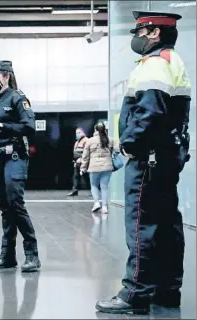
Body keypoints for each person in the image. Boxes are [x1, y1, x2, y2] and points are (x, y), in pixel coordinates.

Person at [96, 11, 191, 314]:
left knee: (141, 224)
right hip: (165, 157)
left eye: (139, 31)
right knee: (166, 225)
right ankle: (166, 289)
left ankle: (135, 293)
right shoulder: (172, 61)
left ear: (153, 33)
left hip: (147, 159)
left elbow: (149, 113)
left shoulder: (154, 65)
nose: (135, 37)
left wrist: (127, 146)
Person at [0, 60, 40, 272]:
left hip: (14, 156)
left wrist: (2, 126)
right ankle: (8, 255)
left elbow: (29, 128)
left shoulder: (18, 98)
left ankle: (32, 253)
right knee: (5, 207)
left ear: (6, 76)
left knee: (15, 204)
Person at [80, 123, 113, 214]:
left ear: (95, 130)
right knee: (104, 187)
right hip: (107, 167)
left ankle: (97, 203)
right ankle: (105, 207)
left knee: (94, 186)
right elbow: (116, 152)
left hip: (94, 167)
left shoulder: (90, 141)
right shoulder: (110, 139)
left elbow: (85, 157)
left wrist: (83, 168)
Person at [67, 127, 88, 196]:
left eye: (79, 132)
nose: (77, 134)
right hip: (77, 162)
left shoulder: (86, 140)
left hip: (84, 162)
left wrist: (81, 159)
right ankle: (75, 190)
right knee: (76, 176)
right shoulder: (77, 142)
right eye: (76, 133)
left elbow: (87, 152)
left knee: (86, 176)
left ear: (83, 132)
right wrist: (74, 160)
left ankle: (94, 190)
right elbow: (75, 152)